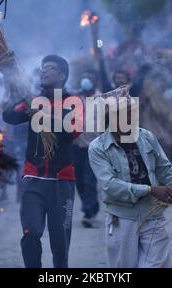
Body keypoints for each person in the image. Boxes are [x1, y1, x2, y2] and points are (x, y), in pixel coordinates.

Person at [2, 55, 78, 268]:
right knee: (31, 234)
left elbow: (72, 131)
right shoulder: (32, 101)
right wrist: (13, 92)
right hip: (33, 179)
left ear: (62, 75)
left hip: (62, 182)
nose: (44, 71)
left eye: (51, 68)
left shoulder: (74, 103)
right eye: (43, 68)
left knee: (60, 243)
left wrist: (43, 114)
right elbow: (8, 116)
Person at [88, 101, 172, 268]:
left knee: (157, 265)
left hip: (152, 214)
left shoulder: (146, 137)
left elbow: (166, 172)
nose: (132, 121)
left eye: (133, 116)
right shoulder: (97, 147)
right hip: (122, 218)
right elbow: (110, 185)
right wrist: (151, 190)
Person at [72, 69, 101, 228]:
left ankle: (88, 211)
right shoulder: (74, 98)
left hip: (95, 147)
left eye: (89, 78)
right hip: (77, 146)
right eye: (83, 77)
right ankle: (91, 205)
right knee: (79, 180)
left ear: (95, 81)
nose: (86, 81)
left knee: (90, 179)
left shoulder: (102, 98)